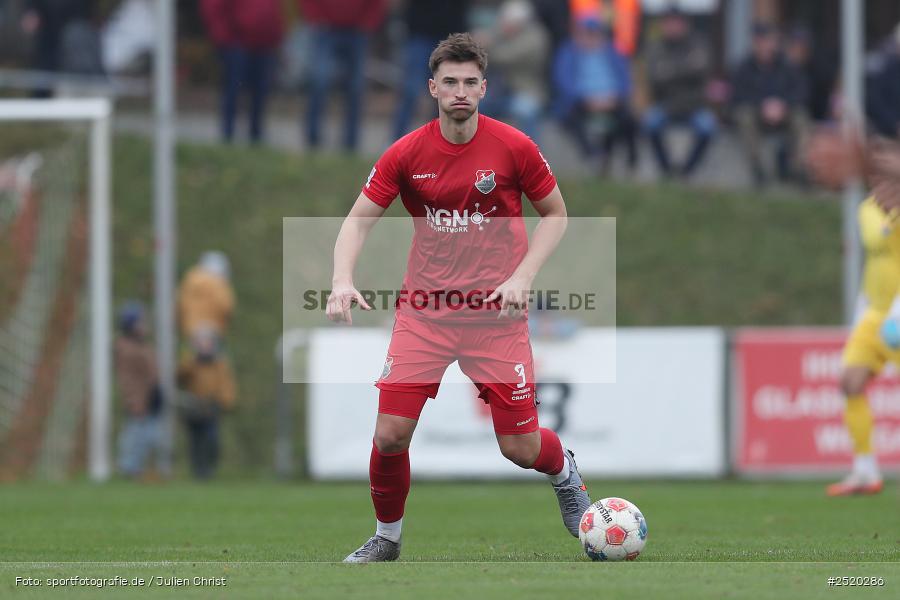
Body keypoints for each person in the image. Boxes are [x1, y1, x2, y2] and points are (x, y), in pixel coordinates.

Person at [330, 33, 591, 563]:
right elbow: (357, 221)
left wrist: (523, 276)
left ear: (484, 88)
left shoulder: (515, 147)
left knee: (518, 448)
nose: (460, 92)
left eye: (470, 82)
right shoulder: (406, 153)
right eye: (450, 82)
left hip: (496, 318)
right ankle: (388, 538)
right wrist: (341, 279)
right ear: (432, 88)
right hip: (425, 315)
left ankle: (565, 474)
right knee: (390, 435)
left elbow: (557, 215)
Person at [297, 0, 388, 151]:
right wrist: (315, 18)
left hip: (357, 32)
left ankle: (350, 142)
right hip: (325, 29)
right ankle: (312, 139)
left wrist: (368, 23)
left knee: (356, 88)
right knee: (319, 82)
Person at [553, 15, 636, 173]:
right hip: (582, 101)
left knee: (628, 120)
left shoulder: (613, 53)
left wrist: (613, 97)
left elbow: (625, 80)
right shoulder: (568, 52)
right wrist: (587, 99)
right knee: (570, 118)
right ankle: (592, 155)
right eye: (585, 33)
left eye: (594, 33)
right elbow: (563, 81)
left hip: (611, 100)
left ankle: (629, 160)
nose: (590, 38)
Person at [731, 23, 809, 185]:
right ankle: (758, 168)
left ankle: (799, 168)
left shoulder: (786, 65)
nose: (765, 46)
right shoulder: (744, 67)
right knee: (744, 117)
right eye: (761, 41)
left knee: (801, 118)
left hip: (783, 112)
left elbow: (800, 90)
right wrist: (763, 106)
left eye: (768, 41)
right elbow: (738, 95)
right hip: (757, 113)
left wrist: (782, 105)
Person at [642, 8, 716, 178]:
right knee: (651, 124)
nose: (672, 27)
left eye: (676, 23)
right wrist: (686, 69)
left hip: (693, 106)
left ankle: (687, 171)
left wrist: (670, 71)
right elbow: (655, 78)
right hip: (666, 105)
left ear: (684, 25)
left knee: (708, 128)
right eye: (669, 23)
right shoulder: (656, 47)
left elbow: (702, 69)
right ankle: (666, 169)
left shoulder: (698, 43)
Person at [200, 0, 284, 143]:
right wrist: (223, 37)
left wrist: (275, 35)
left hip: (264, 42)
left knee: (260, 92)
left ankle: (256, 137)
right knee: (233, 89)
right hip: (235, 41)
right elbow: (213, 8)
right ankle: (227, 136)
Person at [392, 0, 469, 140]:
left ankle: (438, 141)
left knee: (445, 93)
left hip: (450, 36)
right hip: (420, 32)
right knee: (410, 90)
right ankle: (397, 142)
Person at [477, 0, 550, 141]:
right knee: (474, 107)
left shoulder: (536, 37)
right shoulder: (505, 31)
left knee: (524, 111)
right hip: (500, 91)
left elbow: (504, 56)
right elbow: (484, 38)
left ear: (522, 23)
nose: (505, 25)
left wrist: (484, 44)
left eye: (510, 23)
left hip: (526, 90)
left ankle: (531, 155)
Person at [114, 301, 167, 479]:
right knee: (136, 436)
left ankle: (140, 470)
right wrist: (136, 402)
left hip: (150, 399)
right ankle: (129, 470)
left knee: (150, 437)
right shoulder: (127, 349)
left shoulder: (141, 345)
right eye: (141, 322)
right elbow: (129, 381)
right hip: (140, 402)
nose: (145, 326)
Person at [177, 326, 237, 480]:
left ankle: (209, 468)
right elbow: (180, 377)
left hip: (212, 407)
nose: (205, 346)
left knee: (211, 439)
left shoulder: (220, 363)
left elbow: (226, 384)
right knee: (195, 441)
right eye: (201, 342)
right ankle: (198, 471)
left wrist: (225, 401)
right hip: (193, 408)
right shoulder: (190, 362)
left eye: (207, 342)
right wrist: (191, 360)